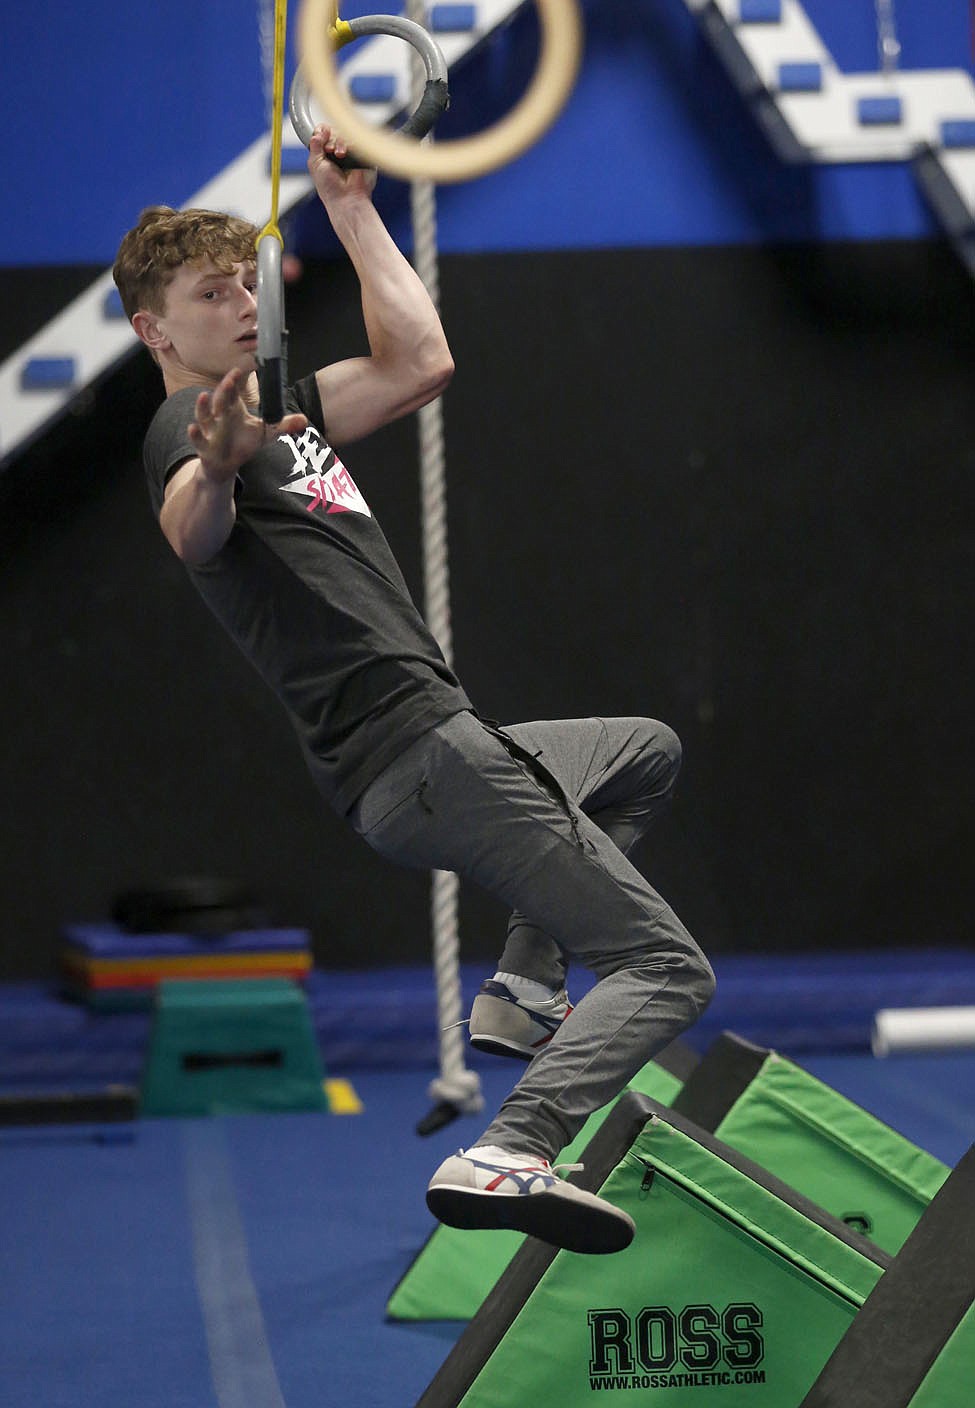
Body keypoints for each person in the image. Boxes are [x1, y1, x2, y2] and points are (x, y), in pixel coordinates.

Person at [113, 125, 715, 1255]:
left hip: (439, 753)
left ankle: (523, 993)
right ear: (155, 327)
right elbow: (194, 530)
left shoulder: (280, 414)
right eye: (211, 291)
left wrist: (349, 206)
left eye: (249, 282)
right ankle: (512, 1148)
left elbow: (421, 363)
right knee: (667, 965)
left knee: (642, 749)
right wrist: (221, 461)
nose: (242, 302)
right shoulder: (185, 435)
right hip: (420, 754)